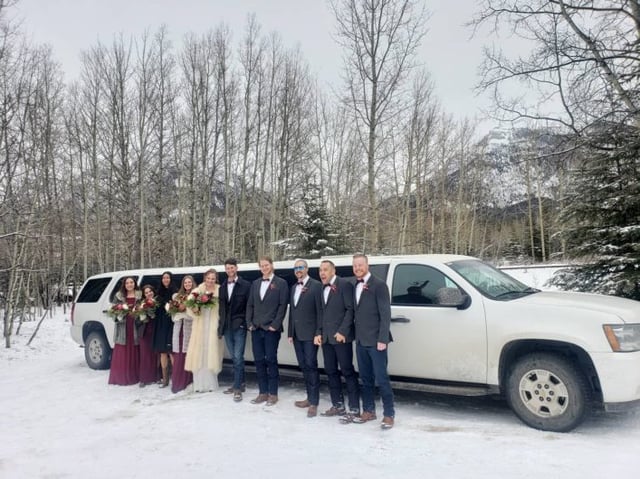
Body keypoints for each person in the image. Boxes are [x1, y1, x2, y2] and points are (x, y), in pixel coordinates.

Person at [350, 253, 395, 429]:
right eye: (355, 266)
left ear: (367, 265)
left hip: (377, 341)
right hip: (361, 340)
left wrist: (382, 339)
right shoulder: (354, 285)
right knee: (365, 378)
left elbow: (385, 314)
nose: (357, 268)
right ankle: (368, 410)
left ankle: (389, 414)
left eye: (360, 265)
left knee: (382, 379)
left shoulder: (379, 285)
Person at [313, 260, 360, 419]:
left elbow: (350, 310)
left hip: (341, 338)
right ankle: (337, 405)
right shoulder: (321, 288)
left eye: (325, 270)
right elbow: (321, 313)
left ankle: (354, 408)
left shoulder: (344, 284)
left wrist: (343, 331)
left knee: (347, 371)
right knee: (331, 371)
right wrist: (318, 332)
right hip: (326, 338)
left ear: (333, 271)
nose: (322, 273)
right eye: (320, 270)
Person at [246, 256, 289, 406]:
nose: (264, 268)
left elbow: (282, 306)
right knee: (258, 361)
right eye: (262, 266)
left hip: (271, 329)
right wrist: (249, 323)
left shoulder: (281, 283)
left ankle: (273, 393)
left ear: (272, 265)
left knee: (271, 360)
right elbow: (250, 305)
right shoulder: (255, 283)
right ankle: (262, 392)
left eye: (266, 265)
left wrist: (275, 325)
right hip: (256, 328)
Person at [288, 259, 323, 417]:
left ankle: (314, 402)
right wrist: (290, 333)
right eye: (296, 268)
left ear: (307, 269)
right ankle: (309, 398)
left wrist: (318, 332)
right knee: (303, 366)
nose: (298, 270)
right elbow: (293, 312)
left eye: (301, 267)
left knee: (311, 365)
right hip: (297, 335)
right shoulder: (294, 287)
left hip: (310, 335)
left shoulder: (316, 286)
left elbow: (320, 312)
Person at [185, 269, 224, 392]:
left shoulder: (220, 290)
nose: (210, 281)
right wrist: (195, 310)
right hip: (200, 326)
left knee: (212, 353)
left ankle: (211, 384)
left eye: (213, 279)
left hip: (214, 325)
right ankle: (199, 385)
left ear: (215, 279)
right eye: (208, 278)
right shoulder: (198, 290)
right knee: (199, 354)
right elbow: (189, 304)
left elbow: (224, 308)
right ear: (205, 278)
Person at [218, 258, 251, 402]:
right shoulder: (222, 286)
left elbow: (250, 306)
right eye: (227, 268)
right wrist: (220, 329)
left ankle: (237, 388)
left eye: (232, 268)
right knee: (235, 358)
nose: (230, 270)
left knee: (238, 357)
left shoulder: (246, 285)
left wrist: (245, 323)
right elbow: (222, 309)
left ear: (236, 268)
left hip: (239, 326)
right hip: (226, 327)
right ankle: (241, 383)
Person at [108, 276, 141, 386]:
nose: (130, 285)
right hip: (123, 327)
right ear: (124, 285)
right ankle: (120, 378)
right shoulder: (119, 296)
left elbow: (143, 307)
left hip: (135, 326)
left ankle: (133, 376)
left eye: (131, 282)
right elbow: (113, 311)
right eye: (127, 283)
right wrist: (119, 314)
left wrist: (140, 314)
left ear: (134, 283)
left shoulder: (139, 295)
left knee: (134, 350)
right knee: (122, 351)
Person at [170, 275, 195, 394]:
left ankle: (187, 381)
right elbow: (173, 315)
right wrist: (179, 311)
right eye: (185, 283)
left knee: (188, 354)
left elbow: (196, 314)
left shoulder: (195, 296)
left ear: (192, 283)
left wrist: (185, 312)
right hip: (178, 328)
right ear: (183, 284)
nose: (187, 284)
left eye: (189, 282)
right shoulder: (177, 296)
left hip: (190, 328)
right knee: (179, 354)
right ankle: (178, 382)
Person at [152, 271, 176, 388]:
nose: (166, 280)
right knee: (162, 351)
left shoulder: (175, 292)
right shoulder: (158, 292)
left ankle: (176, 379)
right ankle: (165, 379)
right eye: (164, 278)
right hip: (160, 324)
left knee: (171, 351)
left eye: (168, 278)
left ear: (171, 279)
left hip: (171, 323)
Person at [137, 284, 160, 387]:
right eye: (146, 293)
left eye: (150, 291)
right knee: (145, 355)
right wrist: (142, 316)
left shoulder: (158, 303)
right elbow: (136, 320)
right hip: (145, 332)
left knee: (156, 355)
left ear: (153, 292)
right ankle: (144, 378)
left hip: (156, 331)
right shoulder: (141, 304)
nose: (149, 294)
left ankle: (156, 377)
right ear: (143, 295)